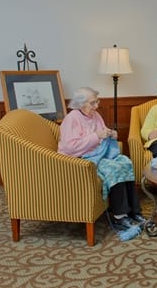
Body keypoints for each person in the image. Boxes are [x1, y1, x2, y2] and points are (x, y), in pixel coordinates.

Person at [58, 87, 145, 232]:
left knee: (125, 162)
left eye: (96, 101)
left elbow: (102, 131)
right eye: (92, 103)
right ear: (81, 104)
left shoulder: (95, 115)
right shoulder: (71, 118)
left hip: (99, 154)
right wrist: (96, 136)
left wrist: (110, 133)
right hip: (79, 159)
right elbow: (69, 147)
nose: (96, 106)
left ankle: (134, 211)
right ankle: (119, 216)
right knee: (114, 169)